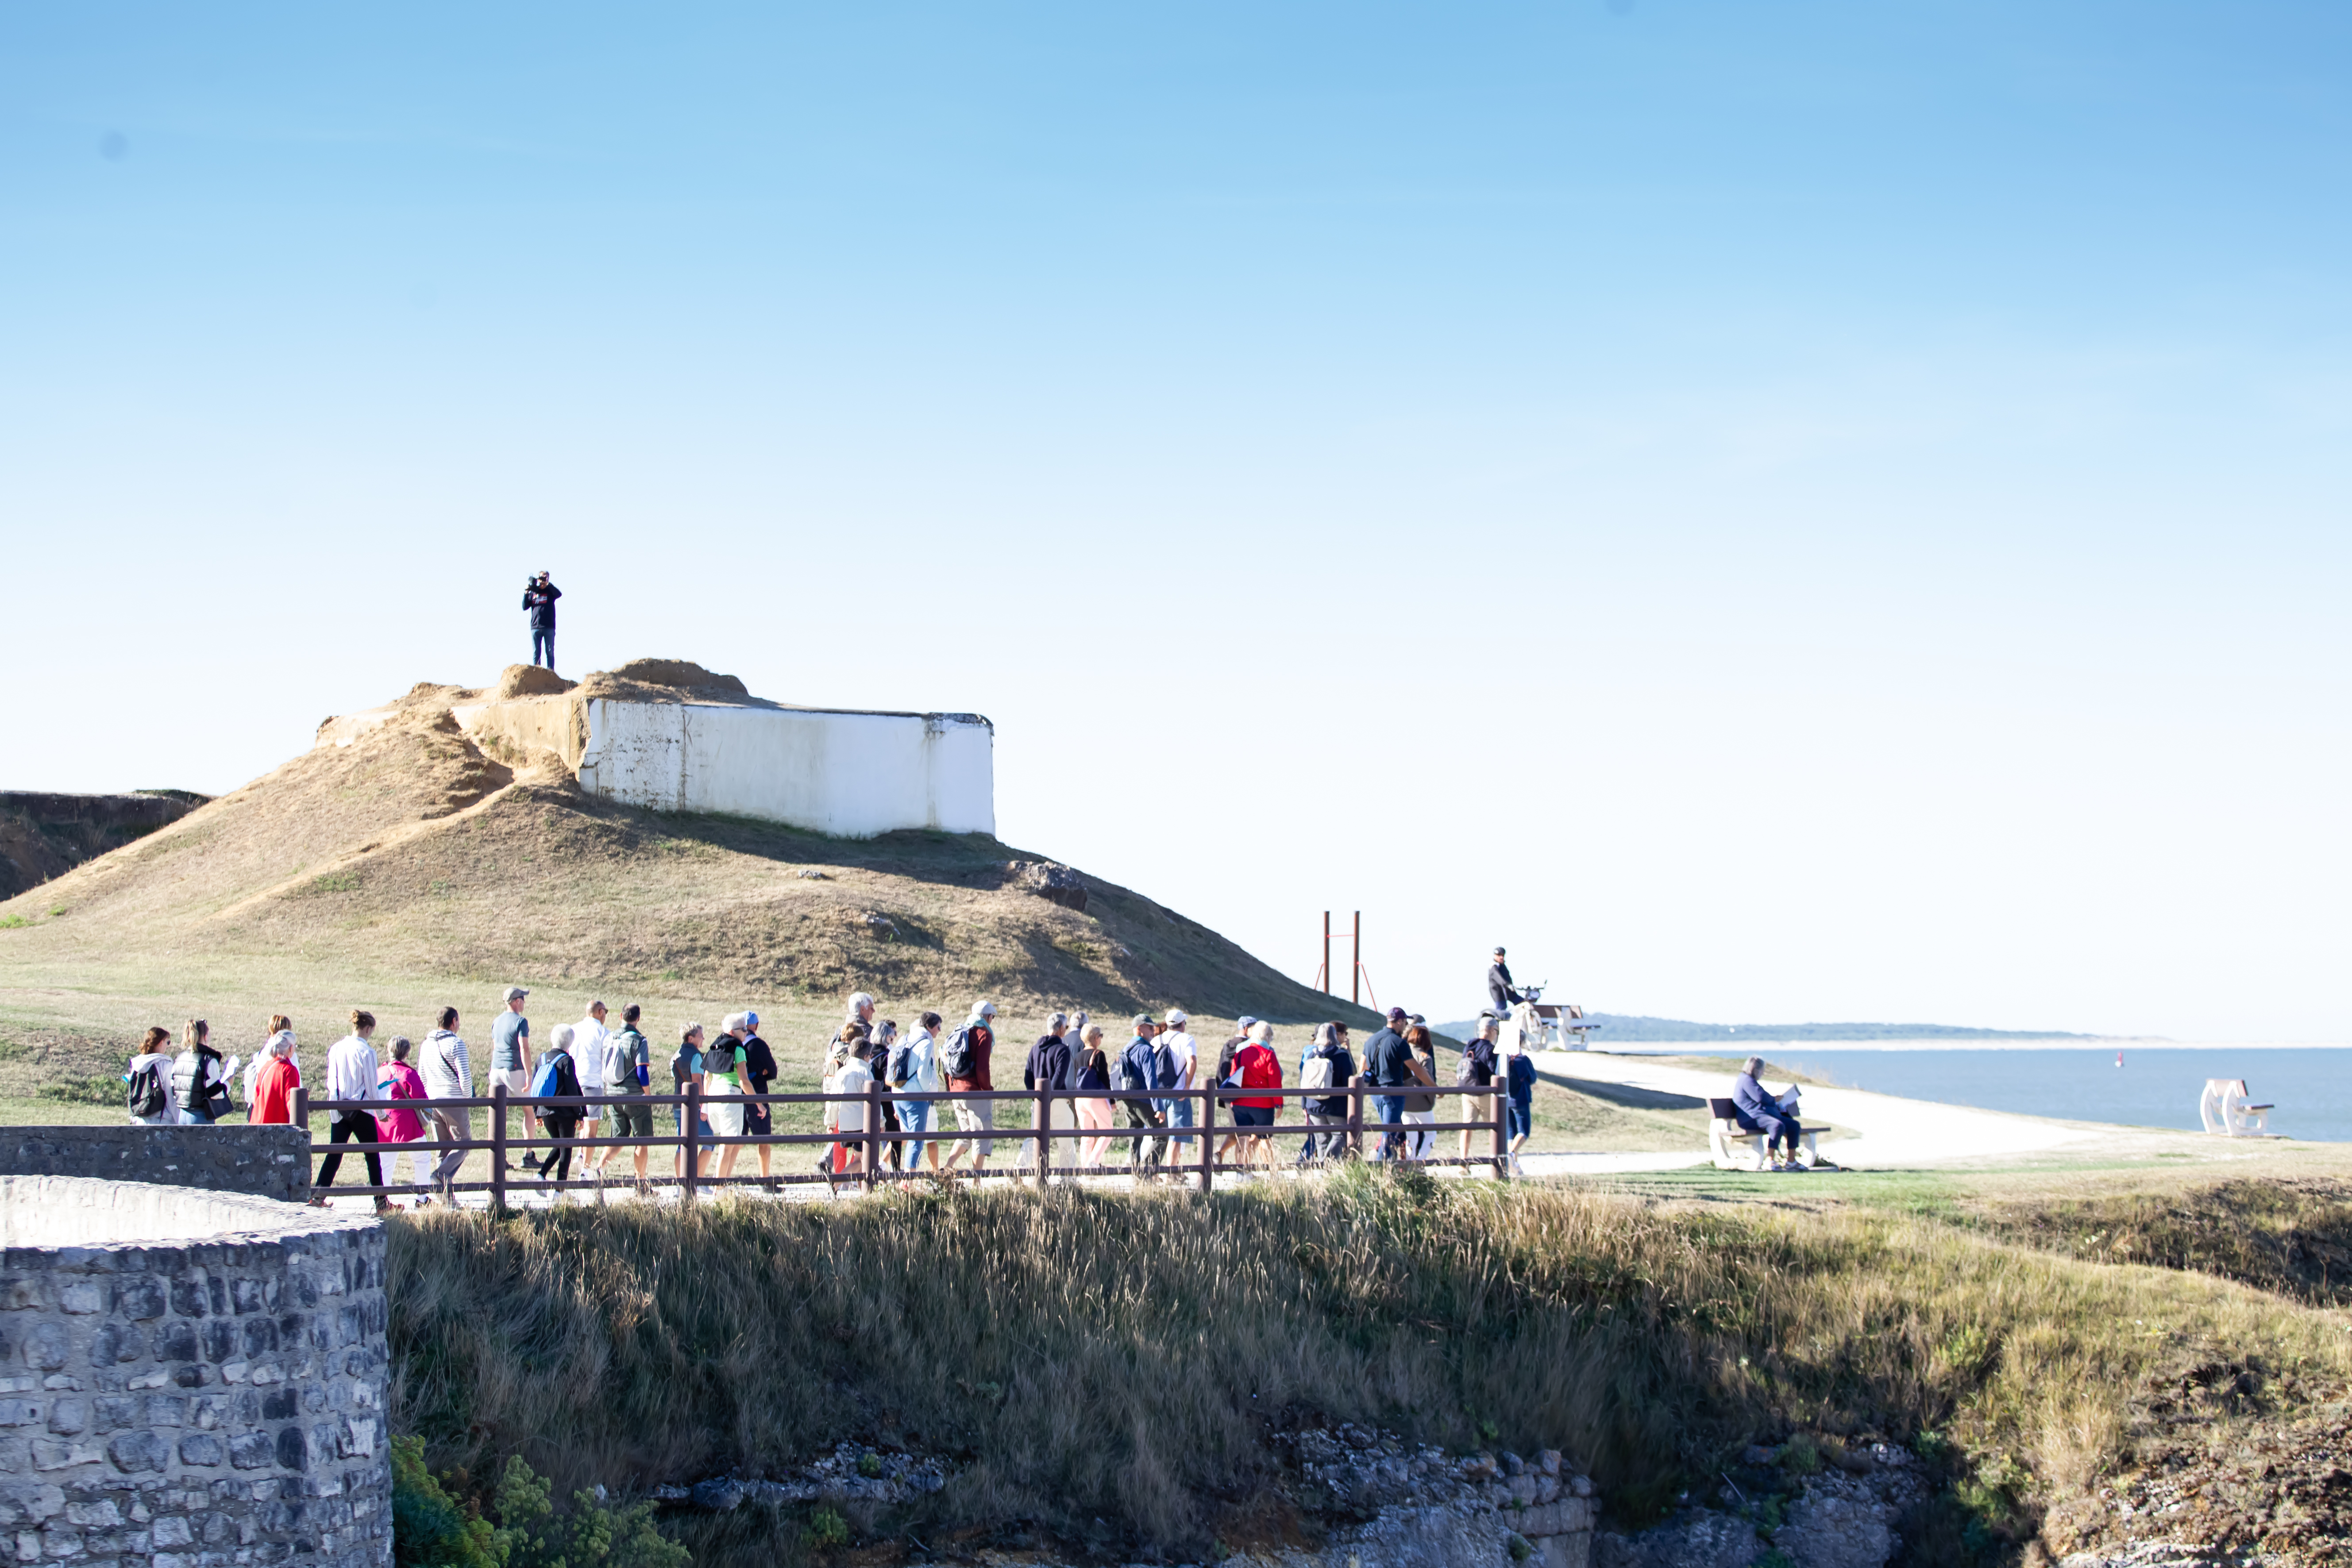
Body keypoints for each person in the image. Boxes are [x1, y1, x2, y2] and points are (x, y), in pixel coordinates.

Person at [313, 1010, 387, 1210]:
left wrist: (335, 1105)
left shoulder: (336, 1048)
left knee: (334, 1153)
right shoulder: (367, 1052)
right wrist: (381, 1114)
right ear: (368, 1028)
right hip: (361, 1109)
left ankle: (317, 1196)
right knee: (372, 1156)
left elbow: (331, 1081)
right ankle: (381, 1202)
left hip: (338, 1107)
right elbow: (372, 1089)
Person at [595, 1004, 655, 1181]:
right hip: (635, 1097)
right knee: (642, 1141)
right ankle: (640, 1182)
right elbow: (641, 1072)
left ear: (621, 1016)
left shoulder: (609, 1039)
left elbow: (605, 1068)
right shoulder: (639, 1041)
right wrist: (648, 1096)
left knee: (617, 1138)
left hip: (613, 1095)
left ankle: (599, 1170)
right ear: (639, 1018)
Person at [419, 1007, 474, 1198]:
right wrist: (467, 1099)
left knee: (443, 1147)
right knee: (465, 1144)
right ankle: (440, 1176)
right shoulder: (456, 1044)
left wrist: (428, 1097)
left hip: (433, 1100)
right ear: (454, 1022)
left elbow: (422, 1076)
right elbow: (465, 1078)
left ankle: (444, 1197)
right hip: (454, 1100)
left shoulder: (426, 1045)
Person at [942, 1001, 999, 1173]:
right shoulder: (983, 1034)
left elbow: (944, 1059)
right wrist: (987, 1089)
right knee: (981, 1136)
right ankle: (977, 1180)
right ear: (988, 1017)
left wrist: (950, 1087)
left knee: (965, 1133)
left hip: (956, 1089)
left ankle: (947, 1168)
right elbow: (982, 1068)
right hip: (974, 1092)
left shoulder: (960, 1031)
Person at [528, 1025, 585, 1186]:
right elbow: (573, 1090)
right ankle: (560, 1191)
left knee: (559, 1145)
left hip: (545, 1111)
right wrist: (579, 1115)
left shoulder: (542, 1058)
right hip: (565, 1113)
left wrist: (537, 1113)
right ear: (570, 1043)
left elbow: (535, 1088)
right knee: (566, 1149)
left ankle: (541, 1176)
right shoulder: (567, 1061)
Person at [375, 1037, 429, 1202]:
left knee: (385, 1164)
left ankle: (383, 1202)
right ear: (407, 1053)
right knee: (422, 1158)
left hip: (384, 1125)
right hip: (407, 1126)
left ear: (388, 1050)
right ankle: (422, 1200)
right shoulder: (409, 1074)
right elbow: (422, 1099)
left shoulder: (380, 1072)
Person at [1296, 1022, 1356, 1165]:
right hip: (1336, 1106)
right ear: (1334, 1036)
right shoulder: (1341, 1055)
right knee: (1340, 1136)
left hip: (1313, 1104)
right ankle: (1326, 1165)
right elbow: (1349, 1080)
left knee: (1322, 1140)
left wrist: (1305, 1104)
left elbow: (1303, 1080)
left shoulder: (1311, 1054)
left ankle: (1323, 1172)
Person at [1227, 1021, 1284, 1171]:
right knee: (1265, 1139)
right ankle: (1272, 1172)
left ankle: (1241, 1171)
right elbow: (1275, 1081)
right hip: (1263, 1105)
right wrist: (1279, 1104)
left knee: (1243, 1138)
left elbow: (1233, 1076)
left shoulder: (1240, 1054)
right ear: (1267, 1037)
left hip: (1240, 1103)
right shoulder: (1269, 1055)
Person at [1731, 1056, 1805, 1170]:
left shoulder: (1749, 1080)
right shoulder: (1746, 1080)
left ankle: (1791, 1161)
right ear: (1756, 1070)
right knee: (1777, 1125)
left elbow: (1761, 1098)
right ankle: (1770, 1160)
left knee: (1794, 1126)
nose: (1763, 1073)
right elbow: (1760, 1097)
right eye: (1762, 1071)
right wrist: (1775, 1099)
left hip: (1761, 1116)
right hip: (1750, 1118)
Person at [892, 1011, 944, 1172]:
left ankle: (905, 1178)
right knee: (917, 1140)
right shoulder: (927, 1043)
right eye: (938, 1027)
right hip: (916, 1097)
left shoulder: (905, 1038)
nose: (940, 1030)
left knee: (909, 1138)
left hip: (898, 1093)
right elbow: (923, 1075)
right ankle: (909, 1182)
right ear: (930, 1027)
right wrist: (927, 1093)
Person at [1022, 1013, 1075, 1172]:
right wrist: (1050, 1097)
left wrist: (1036, 1097)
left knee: (1034, 1138)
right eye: (1066, 1028)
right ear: (1060, 1029)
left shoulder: (1035, 1048)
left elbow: (1027, 1076)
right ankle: (1067, 1178)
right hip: (1056, 1098)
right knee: (1066, 1141)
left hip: (1038, 1099)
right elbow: (1059, 1078)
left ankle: (1018, 1170)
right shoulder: (1062, 1050)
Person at [490, 987, 536, 1166]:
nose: (524, 1002)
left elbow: (495, 1047)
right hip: (514, 1068)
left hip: (497, 1069)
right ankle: (528, 1155)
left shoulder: (497, 1021)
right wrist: (529, 1074)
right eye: (523, 999)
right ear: (517, 1001)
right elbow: (524, 1048)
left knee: (500, 1114)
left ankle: (500, 1157)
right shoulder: (521, 1022)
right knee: (528, 1111)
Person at [1118, 1015, 1169, 1175]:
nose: (1154, 1031)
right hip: (1144, 1100)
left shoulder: (1126, 1049)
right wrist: (1158, 1107)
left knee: (1135, 1137)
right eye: (1150, 1028)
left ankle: (1136, 1173)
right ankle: (1147, 1172)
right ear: (1140, 1029)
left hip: (1128, 1099)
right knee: (1162, 1135)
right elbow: (1151, 1081)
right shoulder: (1146, 1050)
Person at [1365, 1008, 1415, 1162]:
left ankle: (1387, 1165)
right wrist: (1433, 1087)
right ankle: (1381, 1168)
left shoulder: (1371, 1040)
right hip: (1393, 1093)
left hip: (1375, 1093)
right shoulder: (1399, 1043)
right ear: (1399, 1022)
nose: (1405, 1026)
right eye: (1405, 1022)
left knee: (1390, 1130)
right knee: (1390, 1132)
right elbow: (1416, 1069)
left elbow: (1363, 1067)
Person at [702, 1022, 746, 1181]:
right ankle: (720, 1187)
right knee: (728, 1145)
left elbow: (707, 1078)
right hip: (731, 1095)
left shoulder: (714, 1047)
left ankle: (723, 1183)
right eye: (744, 1030)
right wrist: (759, 1103)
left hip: (714, 1095)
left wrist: (705, 1106)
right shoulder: (739, 1049)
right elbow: (744, 1081)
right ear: (732, 1032)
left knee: (729, 1143)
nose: (746, 1033)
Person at [571, 1001, 612, 1170]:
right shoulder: (604, 1033)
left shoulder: (573, 1029)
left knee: (580, 1123)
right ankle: (586, 1169)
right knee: (591, 1128)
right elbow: (607, 1062)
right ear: (600, 1012)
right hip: (593, 1082)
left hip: (574, 1082)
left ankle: (580, 1154)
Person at [739, 1010, 779, 1180]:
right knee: (764, 1141)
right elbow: (774, 1071)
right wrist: (763, 1074)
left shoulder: (735, 1045)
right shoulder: (759, 1046)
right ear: (756, 1026)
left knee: (735, 1142)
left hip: (737, 1096)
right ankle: (764, 1179)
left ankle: (722, 1179)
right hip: (758, 1096)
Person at [1070, 1024, 1115, 1166]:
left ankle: (1085, 1167)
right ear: (1096, 1038)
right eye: (1100, 1036)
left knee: (1087, 1135)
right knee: (1108, 1132)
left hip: (1080, 1099)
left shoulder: (1078, 1056)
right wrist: (1112, 1100)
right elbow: (1105, 1079)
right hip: (1094, 1097)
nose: (1101, 1039)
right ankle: (1093, 1162)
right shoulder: (1099, 1054)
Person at [1456, 1019, 1500, 1164]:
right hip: (1485, 1093)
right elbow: (1496, 1071)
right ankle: (1496, 1162)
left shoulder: (1470, 1045)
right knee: (1495, 1128)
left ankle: (1463, 1163)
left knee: (1467, 1127)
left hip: (1467, 1092)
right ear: (1493, 1031)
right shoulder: (1490, 1049)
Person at [172, 1020, 231, 1125]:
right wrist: (228, 1085)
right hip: (200, 1116)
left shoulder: (179, 1058)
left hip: (182, 1115)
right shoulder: (208, 1060)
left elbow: (174, 1089)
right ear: (206, 1036)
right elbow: (216, 1094)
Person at [1159, 1009, 1199, 1165]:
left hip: (1159, 1093)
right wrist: (1187, 1087)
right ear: (1182, 1024)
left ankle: (1154, 1170)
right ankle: (1172, 1171)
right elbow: (1192, 1061)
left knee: (1159, 1135)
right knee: (1176, 1135)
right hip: (1178, 1093)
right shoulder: (1187, 1039)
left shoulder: (1157, 1040)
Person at [670, 1024, 706, 1179]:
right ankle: (697, 1179)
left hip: (679, 1103)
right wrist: (704, 1104)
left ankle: (681, 1181)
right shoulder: (696, 1056)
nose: (703, 1038)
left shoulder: (676, 1055)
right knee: (709, 1141)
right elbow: (697, 1081)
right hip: (695, 1105)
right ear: (691, 1038)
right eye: (700, 1035)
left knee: (682, 1144)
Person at [125, 1026, 177, 1126]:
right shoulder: (165, 1065)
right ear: (161, 1043)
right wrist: (179, 1122)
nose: (168, 1046)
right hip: (161, 1122)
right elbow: (171, 1099)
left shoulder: (136, 1065)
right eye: (168, 1042)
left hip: (139, 1120)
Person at [1504, 1027, 1538, 1177]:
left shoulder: (1503, 1059)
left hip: (1507, 1099)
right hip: (1521, 1099)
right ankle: (1511, 1156)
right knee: (1524, 1131)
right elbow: (1532, 1078)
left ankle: (1514, 1168)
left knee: (1511, 1134)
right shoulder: (1522, 1060)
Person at [250, 1028, 301, 1126]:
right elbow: (292, 1104)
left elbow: (256, 1097)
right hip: (277, 1129)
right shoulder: (289, 1071)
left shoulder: (265, 1068)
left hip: (257, 1125)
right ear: (290, 1048)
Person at [523, 571, 561, 670]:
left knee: (549, 651)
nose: (543, 580)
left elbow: (559, 594)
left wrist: (548, 584)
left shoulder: (550, 592)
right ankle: (537, 672)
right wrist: (526, 593)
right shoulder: (533, 592)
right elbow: (525, 607)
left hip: (549, 627)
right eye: (542, 578)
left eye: (546, 578)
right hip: (535, 627)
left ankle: (551, 672)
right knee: (536, 652)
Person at [1487, 948, 1525, 1014]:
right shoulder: (1493, 966)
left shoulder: (1502, 966)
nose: (1501, 957)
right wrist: (1508, 985)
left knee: (1523, 1003)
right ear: (1495, 956)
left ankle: (1535, 1021)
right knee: (1502, 1011)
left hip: (1508, 992)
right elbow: (1499, 979)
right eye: (1499, 955)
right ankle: (1497, 1024)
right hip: (1499, 994)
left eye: (1503, 955)